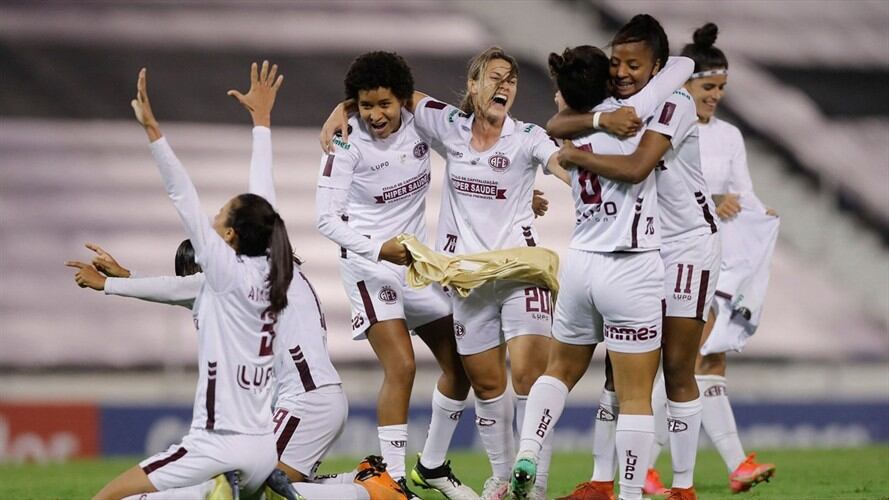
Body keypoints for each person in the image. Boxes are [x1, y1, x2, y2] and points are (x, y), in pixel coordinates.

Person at [74, 64, 292, 500]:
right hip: (264, 448)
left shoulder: (225, 273)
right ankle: (223, 492)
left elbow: (183, 197)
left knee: (106, 498)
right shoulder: (269, 269)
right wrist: (262, 124)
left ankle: (221, 489)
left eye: (220, 215)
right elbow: (264, 199)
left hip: (217, 443)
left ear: (230, 235)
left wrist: (153, 132)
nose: (211, 219)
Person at [508, 18, 700, 500]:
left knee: (559, 371)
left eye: (633, 64)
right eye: (616, 63)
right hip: (631, 265)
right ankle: (632, 493)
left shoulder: (585, 119)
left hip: (581, 263)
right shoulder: (636, 111)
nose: (623, 72)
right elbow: (638, 165)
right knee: (635, 393)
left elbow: (555, 125)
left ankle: (529, 449)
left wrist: (576, 153)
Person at [315, 51, 477, 500]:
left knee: (462, 366)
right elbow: (325, 220)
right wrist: (378, 248)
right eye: (365, 105)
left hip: (415, 267)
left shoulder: (421, 122)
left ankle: (432, 466)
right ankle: (394, 480)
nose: (375, 115)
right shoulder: (346, 142)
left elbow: (472, 148)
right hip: (369, 267)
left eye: (384, 104)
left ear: (403, 101)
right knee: (402, 365)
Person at [680, 22, 777, 494]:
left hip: (719, 257)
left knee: (708, 361)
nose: (716, 95)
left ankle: (734, 466)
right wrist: (711, 196)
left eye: (721, 88)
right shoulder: (669, 130)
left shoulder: (730, 136)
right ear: (685, 85)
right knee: (688, 364)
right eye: (708, 86)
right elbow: (665, 187)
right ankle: (647, 471)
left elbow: (744, 193)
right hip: (676, 258)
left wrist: (760, 213)